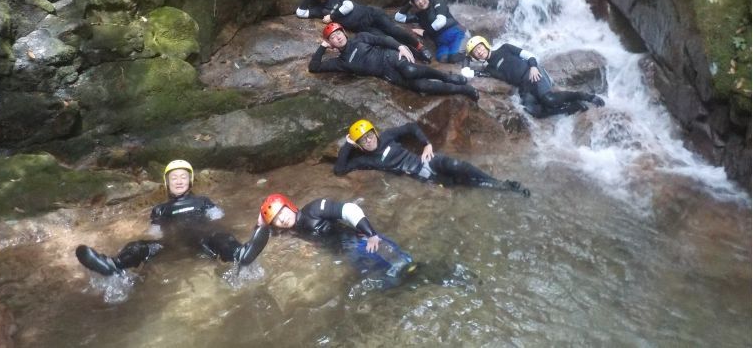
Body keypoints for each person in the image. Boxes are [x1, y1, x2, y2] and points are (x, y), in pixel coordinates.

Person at [75, 160, 269, 276]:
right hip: (172, 244)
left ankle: (240, 253)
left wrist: (224, 230)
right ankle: (113, 265)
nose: (178, 181)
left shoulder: (202, 201)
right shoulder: (160, 209)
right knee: (138, 246)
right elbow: (155, 232)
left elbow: (220, 218)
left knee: (221, 235)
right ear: (167, 183)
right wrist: (148, 240)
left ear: (190, 181)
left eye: (183, 177)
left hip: (204, 239)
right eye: (174, 178)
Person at [335, 119, 530, 196]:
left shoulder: (386, 136)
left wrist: (426, 143)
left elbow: (411, 126)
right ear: (359, 144)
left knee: (458, 165)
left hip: (425, 160)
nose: (368, 141)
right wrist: (348, 144)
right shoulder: (365, 160)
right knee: (461, 183)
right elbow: (340, 169)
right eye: (363, 140)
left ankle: (499, 182)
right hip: (421, 174)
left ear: (375, 133)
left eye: (369, 136)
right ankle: (503, 188)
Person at [308, 22, 480, 102]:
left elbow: (383, 39)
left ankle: (447, 76)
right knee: (422, 87)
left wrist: (400, 47)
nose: (337, 38)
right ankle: (463, 89)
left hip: (390, 57)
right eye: (332, 38)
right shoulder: (340, 62)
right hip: (386, 74)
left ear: (344, 33)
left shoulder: (360, 38)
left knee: (410, 71)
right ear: (331, 43)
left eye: (338, 34)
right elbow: (314, 68)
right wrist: (322, 47)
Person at [259, 193, 415, 278]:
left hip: (363, 242)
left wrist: (371, 234)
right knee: (388, 280)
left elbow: (349, 210)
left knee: (406, 268)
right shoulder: (292, 230)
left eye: (282, 211)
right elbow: (264, 230)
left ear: (289, 205)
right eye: (276, 219)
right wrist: (262, 221)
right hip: (348, 254)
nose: (282, 218)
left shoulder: (313, 209)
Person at [295, 0, 433, 63]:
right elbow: (300, 13)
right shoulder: (320, 10)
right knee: (385, 39)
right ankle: (414, 54)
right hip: (362, 27)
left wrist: (331, 16)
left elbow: (348, 6)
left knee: (393, 30)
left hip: (371, 14)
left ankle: (419, 47)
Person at [463, 36, 605, 118]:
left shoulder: (505, 48)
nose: (479, 52)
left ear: (485, 45)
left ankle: (587, 97)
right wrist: (466, 57)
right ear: (475, 56)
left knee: (549, 99)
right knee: (532, 111)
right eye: (476, 52)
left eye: (479, 48)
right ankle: (571, 108)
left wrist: (533, 67)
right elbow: (468, 72)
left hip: (533, 74)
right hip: (524, 87)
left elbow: (528, 55)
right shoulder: (489, 68)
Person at [395, 0, 467, 63]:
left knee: (455, 57)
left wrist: (425, 33)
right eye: (417, 1)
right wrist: (409, 4)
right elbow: (399, 17)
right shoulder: (420, 15)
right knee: (442, 59)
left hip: (458, 34)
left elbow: (441, 22)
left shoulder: (438, 2)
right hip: (442, 43)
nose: (421, 2)